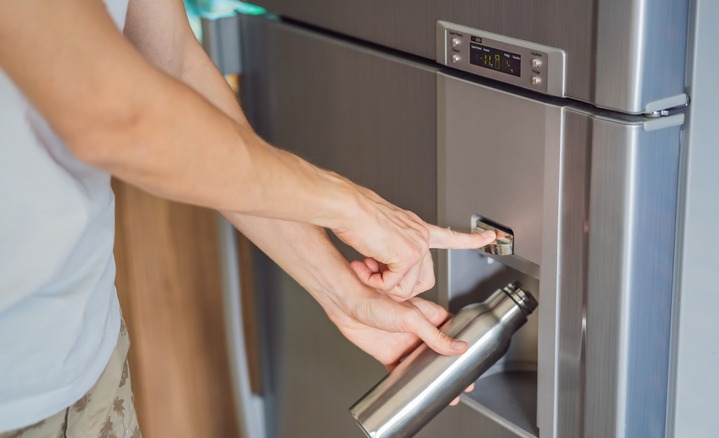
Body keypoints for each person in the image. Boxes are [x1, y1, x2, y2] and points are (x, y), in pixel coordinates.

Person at [0, 0, 496, 436]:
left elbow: (169, 61)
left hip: (86, 354)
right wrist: (347, 203)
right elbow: (111, 113)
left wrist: (339, 290)